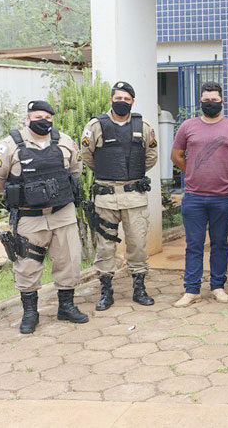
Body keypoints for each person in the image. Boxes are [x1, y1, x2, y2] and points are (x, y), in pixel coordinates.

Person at [0, 101, 88, 334]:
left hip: (62, 213)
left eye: (48, 118)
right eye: (38, 117)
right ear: (27, 119)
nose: (44, 121)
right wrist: (23, 195)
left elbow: (76, 170)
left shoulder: (64, 141)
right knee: (27, 265)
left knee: (69, 260)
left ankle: (66, 306)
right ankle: (30, 313)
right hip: (29, 216)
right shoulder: (9, 145)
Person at [81, 81, 158, 311]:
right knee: (105, 246)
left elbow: (151, 155)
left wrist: (131, 173)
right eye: (118, 98)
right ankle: (106, 291)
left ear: (132, 101)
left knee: (138, 244)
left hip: (134, 197)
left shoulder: (143, 126)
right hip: (106, 197)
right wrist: (109, 173)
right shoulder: (96, 126)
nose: (122, 102)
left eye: (126, 99)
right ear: (111, 100)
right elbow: (87, 155)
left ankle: (139, 288)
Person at [171, 81, 228, 307]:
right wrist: (192, 171)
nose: (210, 103)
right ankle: (191, 290)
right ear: (200, 101)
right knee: (194, 244)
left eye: (214, 100)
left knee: (220, 243)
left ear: (222, 101)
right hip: (194, 197)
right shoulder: (187, 126)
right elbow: (176, 155)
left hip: (224, 196)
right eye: (206, 100)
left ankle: (218, 286)